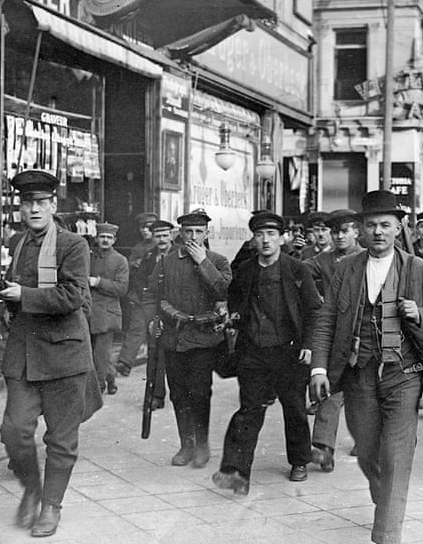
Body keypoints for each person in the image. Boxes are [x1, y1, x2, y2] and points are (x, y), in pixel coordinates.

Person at [309, 190, 423, 544]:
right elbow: (325, 321)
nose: (377, 232)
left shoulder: (418, 268)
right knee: (370, 453)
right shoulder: (346, 269)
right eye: (371, 225)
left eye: (385, 225)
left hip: (403, 376)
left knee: (395, 456)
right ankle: (387, 500)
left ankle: (385, 539)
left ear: (398, 227)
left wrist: (419, 312)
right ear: (361, 229)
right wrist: (319, 369)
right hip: (358, 376)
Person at [0, 169, 98, 537]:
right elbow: (12, 294)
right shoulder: (18, 243)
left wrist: (23, 296)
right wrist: (3, 300)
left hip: (65, 356)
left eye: (41, 203)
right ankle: (33, 490)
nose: (34, 209)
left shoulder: (73, 245)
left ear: (54, 206)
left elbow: (74, 297)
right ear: (20, 209)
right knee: (14, 431)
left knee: (61, 439)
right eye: (27, 203)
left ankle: (50, 506)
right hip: (23, 355)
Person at [212, 212, 322, 495]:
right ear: (253, 238)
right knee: (249, 410)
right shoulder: (246, 270)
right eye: (260, 235)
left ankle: (299, 460)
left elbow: (313, 311)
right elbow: (235, 301)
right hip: (253, 352)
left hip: (289, 352)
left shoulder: (298, 269)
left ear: (281, 238)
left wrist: (309, 346)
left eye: (271, 234)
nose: (265, 240)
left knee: (294, 407)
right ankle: (236, 470)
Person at [143, 209, 232, 468]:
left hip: (204, 339)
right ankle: (186, 444)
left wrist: (203, 262)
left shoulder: (218, 261)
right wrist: (151, 320)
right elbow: (150, 295)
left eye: (198, 232)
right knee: (178, 393)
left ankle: (202, 444)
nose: (193, 237)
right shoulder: (166, 262)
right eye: (188, 232)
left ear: (207, 234)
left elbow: (224, 291)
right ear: (179, 234)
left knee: (200, 392)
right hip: (173, 338)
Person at [304, 208, 363, 470]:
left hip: (363, 332)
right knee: (330, 389)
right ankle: (324, 448)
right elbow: (300, 272)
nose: (339, 236)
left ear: (356, 232)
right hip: (333, 332)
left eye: (344, 231)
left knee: (364, 392)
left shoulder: (367, 257)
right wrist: (315, 299)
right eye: (335, 231)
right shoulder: (324, 259)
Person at [135, 219, 177, 409]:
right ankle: (156, 396)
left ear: (171, 235)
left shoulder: (181, 253)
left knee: (178, 355)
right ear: (153, 237)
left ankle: (180, 394)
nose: (161, 239)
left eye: (164, 235)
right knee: (155, 354)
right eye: (157, 236)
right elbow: (139, 281)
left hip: (177, 311)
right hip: (156, 312)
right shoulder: (149, 257)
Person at [116, 212, 158, 377]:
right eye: (142, 227)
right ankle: (125, 362)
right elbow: (130, 268)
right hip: (140, 294)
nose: (145, 231)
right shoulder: (139, 247)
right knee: (136, 328)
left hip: (160, 296)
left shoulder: (161, 245)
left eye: (149, 228)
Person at [88, 221, 128, 396]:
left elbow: (121, 288)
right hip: (89, 311)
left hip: (107, 314)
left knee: (101, 354)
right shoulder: (89, 257)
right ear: (96, 239)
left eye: (109, 237)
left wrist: (98, 282)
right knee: (92, 352)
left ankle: (99, 386)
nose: (105, 240)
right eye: (102, 237)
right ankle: (110, 378)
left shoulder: (120, 260)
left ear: (114, 240)